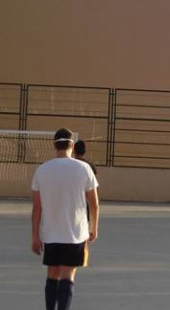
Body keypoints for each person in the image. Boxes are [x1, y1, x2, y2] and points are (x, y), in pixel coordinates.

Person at [31, 128, 99, 310]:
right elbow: (94, 203)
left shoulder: (42, 170)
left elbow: (37, 207)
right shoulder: (84, 168)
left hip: (51, 233)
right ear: (72, 145)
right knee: (68, 276)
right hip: (76, 234)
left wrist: (35, 236)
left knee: (52, 274)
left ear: (54, 145)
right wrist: (94, 227)